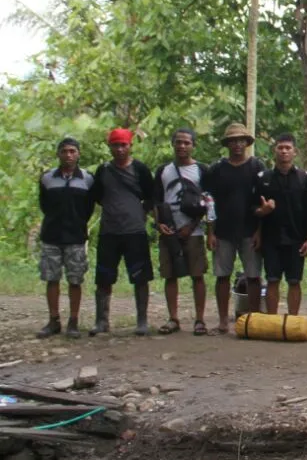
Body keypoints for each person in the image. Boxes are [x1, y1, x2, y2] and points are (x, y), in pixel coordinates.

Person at [89, 128, 154, 337]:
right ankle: (101, 320)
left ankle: (142, 320)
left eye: (123, 145)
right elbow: (97, 196)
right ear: (109, 146)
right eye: (115, 145)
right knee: (104, 277)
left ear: (130, 146)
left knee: (140, 277)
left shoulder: (140, 170)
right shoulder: (103, 171)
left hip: (135, 231)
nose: (119, 149)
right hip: (109, 231)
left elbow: (152, 196)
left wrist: (140, 212)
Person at [206, 123, 266, 333]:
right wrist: (210, 232)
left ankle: (253, 318)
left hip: (250, 230)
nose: (237, 144)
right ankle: (223, 320)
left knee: (253, 276)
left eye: (241, 140)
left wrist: (260, 231)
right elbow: (209, 202)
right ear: (227, 144)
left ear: (247, 143)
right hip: (223, 231)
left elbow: (263, 202)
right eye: (233, 141)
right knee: (222, 276)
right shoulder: (217, 169)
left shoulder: (257, 167)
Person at [153, 128, 212, 336]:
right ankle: (173, 318)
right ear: (172, 144)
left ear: (193, 145)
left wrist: (194, 225)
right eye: (178, 142)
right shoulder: (163, 171)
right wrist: (159, 223)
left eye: (187, 143)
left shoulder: (202, 171)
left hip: (194, 232)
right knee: (170, 275)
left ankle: (199, 319)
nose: (182, 146)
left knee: (197, 275)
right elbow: (157, 201)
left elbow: (208, 202)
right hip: (169, 230)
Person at [37, 137, 94, 338]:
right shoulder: (47, 178)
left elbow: (88, 209)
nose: (68, 155)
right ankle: (54, 320)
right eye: (64, 151)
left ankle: (74, 321)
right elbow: (44, 206)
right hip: (51, 236)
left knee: (75, 280)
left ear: (78, 154)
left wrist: (77, 223)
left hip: (76, 236)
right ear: (58, 154)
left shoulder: (87, 179)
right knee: (52, 279)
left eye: (72, 151)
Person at [253, 133, 307, 316]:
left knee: (294, 281)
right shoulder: (263, 178)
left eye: (288, 148)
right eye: (280, 148)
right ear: (274, 151)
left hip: (296, 237)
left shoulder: (305, 178)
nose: (284, 151)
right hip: (271, 237)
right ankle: (272, 320)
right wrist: (261, 218)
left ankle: (292, 319)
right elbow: (254, 210)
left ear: (295, 152)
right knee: (272, 279)